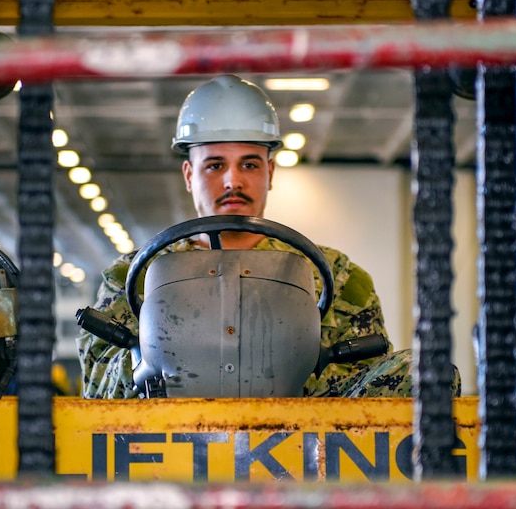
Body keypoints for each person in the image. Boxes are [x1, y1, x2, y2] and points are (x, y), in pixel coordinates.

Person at [77, 74, 460, 400]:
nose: (233, 180)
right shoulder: (132, 277)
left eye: (249, 164)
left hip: (311, 453)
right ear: (189, 175)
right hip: (164, 450)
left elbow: (368, 393)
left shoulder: (337, 276)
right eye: (214, 165)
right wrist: (146, 357)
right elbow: (98, 393)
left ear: (270, 172)